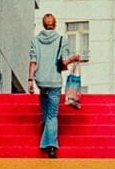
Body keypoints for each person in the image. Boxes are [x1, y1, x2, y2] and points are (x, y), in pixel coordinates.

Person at [27, 14, 79, 158]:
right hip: (54, 81)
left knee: (45, 109)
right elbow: (63, 62)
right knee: (52, 115)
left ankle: (45, 134)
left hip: (41, 80)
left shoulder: (35, 40)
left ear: (44, 25)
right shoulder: (62, 40)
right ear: (54, 24)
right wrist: (74, 58)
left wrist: (30, 80)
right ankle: (51, 146)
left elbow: (33, 60)